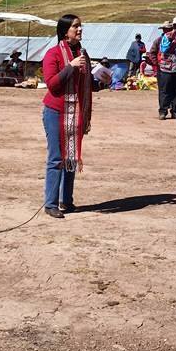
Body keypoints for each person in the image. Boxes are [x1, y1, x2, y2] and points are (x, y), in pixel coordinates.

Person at [41, 14, 110, 219]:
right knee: (56, 158)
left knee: (71, 157)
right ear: (65, 31)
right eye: (75, 27)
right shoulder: (52, 54)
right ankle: (50, 203)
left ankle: (66, 200)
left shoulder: (83, 55)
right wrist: (70, 66)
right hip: (55, 111)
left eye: (80, 26)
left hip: (75, 112)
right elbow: (52, 84)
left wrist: (101, 81)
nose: (80, 30)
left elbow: (85, 84)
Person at [150, 21, 176, 120]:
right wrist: (157, 64)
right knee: (165, 90)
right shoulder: (161, 39)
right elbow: (155, 52)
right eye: (175, 26)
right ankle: (163, 111)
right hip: (164, 68)